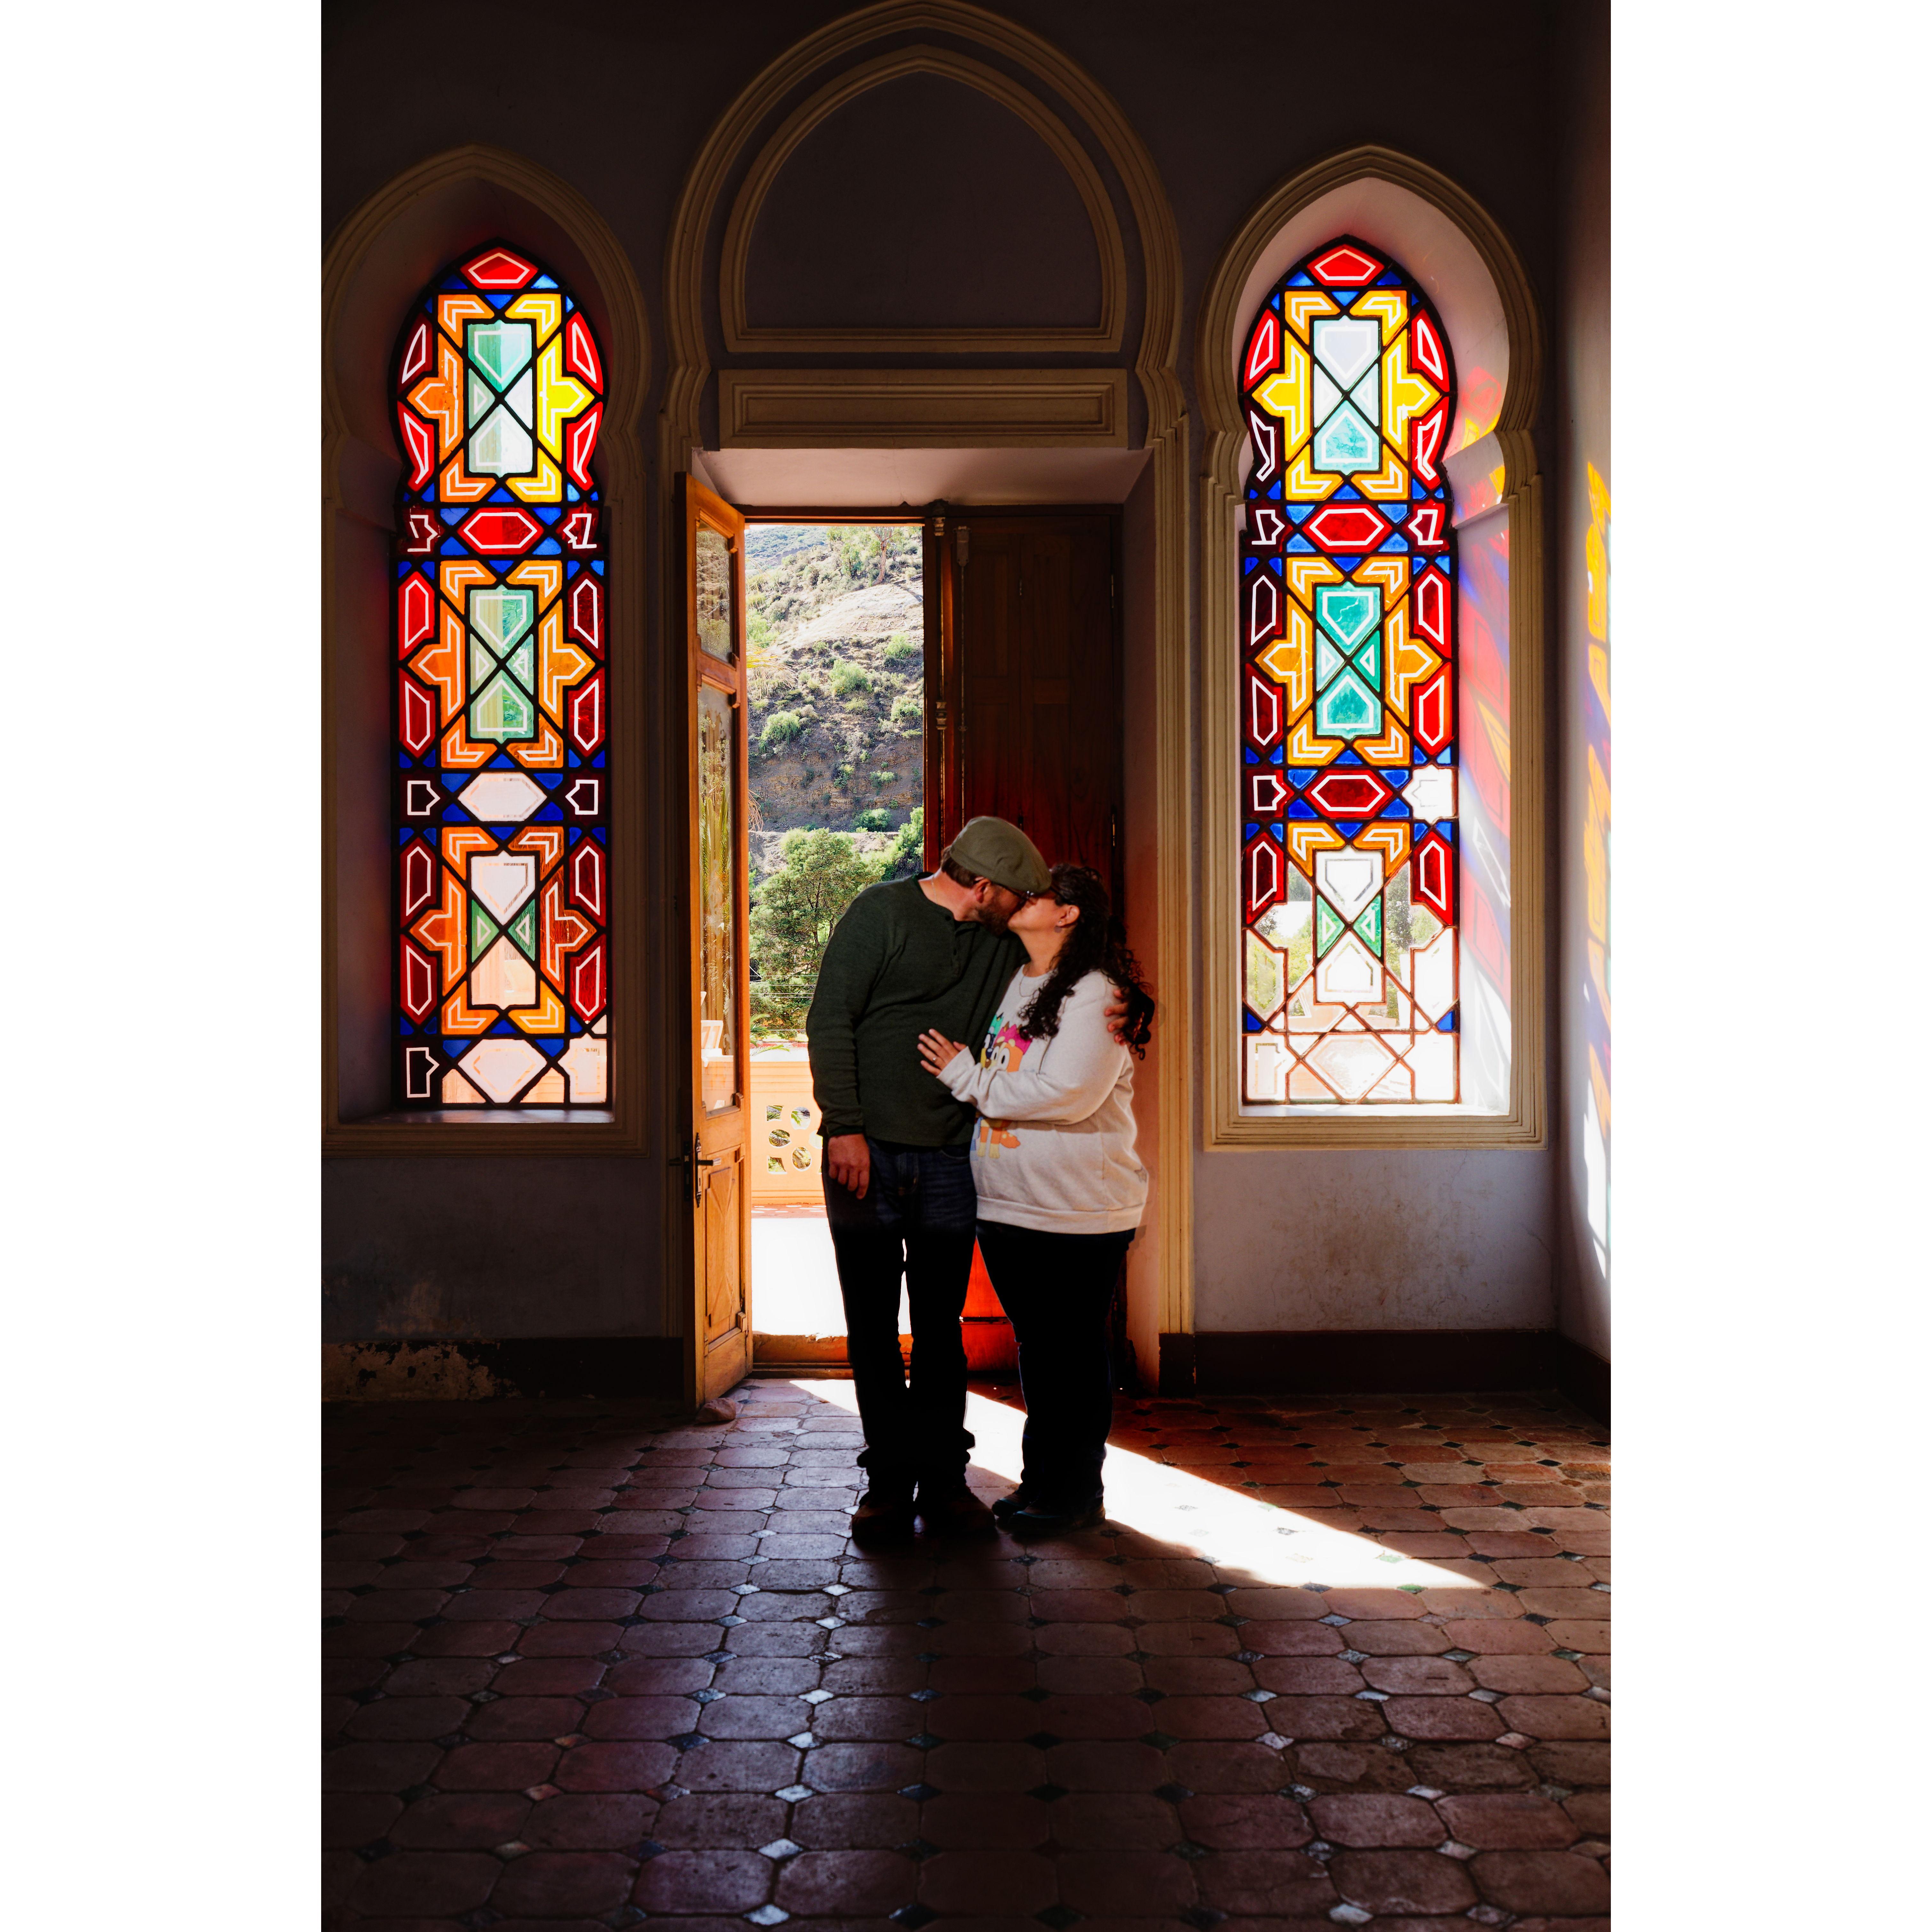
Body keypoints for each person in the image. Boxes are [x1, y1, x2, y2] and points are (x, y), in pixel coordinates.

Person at [806, 816, 1049, 1543]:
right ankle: (886, 1482)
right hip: (864, 1155)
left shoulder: (1001, 939)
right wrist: (842, 1125)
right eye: (1012, 895)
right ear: (980, 886)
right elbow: (829, 1021)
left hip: (950, 1154)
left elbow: (1061, 949)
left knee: (941, 1330)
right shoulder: (877, 913)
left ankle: (944, 1480)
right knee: (873, 1327)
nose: (1020, 907)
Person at [915, 863, 1153, 1537]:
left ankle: (1077, 1492)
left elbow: (1067, 1095)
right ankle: (1043, 1478)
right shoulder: (1017, 977)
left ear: (1068, 914)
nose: (1024, 897)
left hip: (1078, 1208)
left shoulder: (1097, 992)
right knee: (1040, 1350)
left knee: (1072, 1354)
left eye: (1041, 892)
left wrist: (965, 1075)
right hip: (1008, 1204)